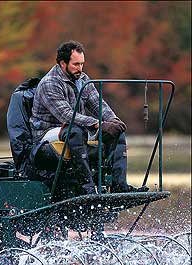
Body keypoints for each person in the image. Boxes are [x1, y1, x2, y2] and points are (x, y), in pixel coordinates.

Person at [30, 40, 148, 195]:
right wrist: (97, 124)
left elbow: (98, 104)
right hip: (46, 136)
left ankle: (119, 185)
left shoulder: (83, 79)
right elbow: (66, 115)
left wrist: (114, 121)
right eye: (76, 64)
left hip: (75, 129)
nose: (80, 69)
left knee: (116, 131)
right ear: (62, 63)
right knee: (75, 131)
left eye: (82, 64)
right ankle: (87, 187)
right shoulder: (50, 83)